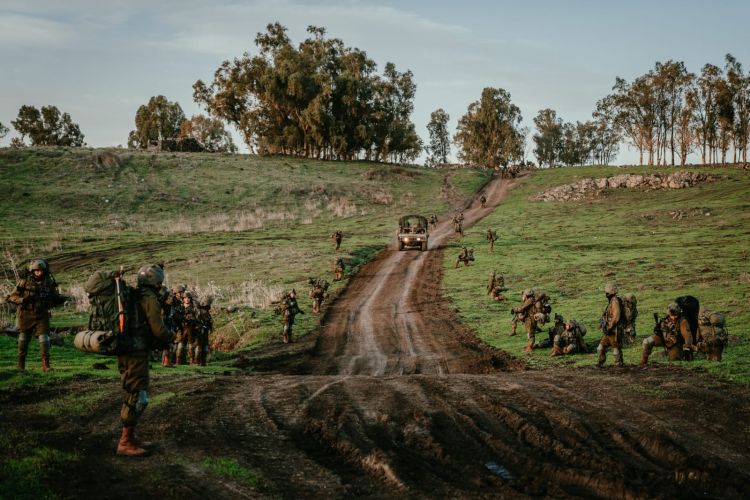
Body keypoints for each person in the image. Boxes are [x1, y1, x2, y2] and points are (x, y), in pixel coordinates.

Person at [116, 264, 172, 456]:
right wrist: (170, 336)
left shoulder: (134, 294)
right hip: (136, 351)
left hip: (128, 348)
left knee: (135, 391)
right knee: (137, 396)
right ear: (156, 280)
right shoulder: (149, 298)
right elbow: (158, 329)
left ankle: (130, 438)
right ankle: (125, 442)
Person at [6, 259, 66, 371]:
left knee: (45, 340)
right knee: (23, 340)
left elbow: (54, 296)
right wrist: (23, 300)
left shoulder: (48, 282)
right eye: (36, 271)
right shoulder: (23, 282)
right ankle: (21, 366)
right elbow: (11, 297)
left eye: (40, 270)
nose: (38, 272)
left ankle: (46, 365)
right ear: (32, 271)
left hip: (42, 314)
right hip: (26, 314)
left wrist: (60, 299)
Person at [597, 283, 624, 367]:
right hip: (609, 331)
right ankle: (601, 362)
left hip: (614, 330)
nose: (605, 294)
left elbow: (616, 316)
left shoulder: (615, 301)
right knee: (600, 347)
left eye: (606, 292)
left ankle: (619, 364)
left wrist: (610, 326)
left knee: (616, 349)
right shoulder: (611, 301)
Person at [180, 293, 199, 365]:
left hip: (190, 328)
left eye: (188, 298)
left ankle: (191, 360)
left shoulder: (193, 308)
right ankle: (180, 361)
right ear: (183, 299)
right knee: (181, 345)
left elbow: (197, 317)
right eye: (185, 298)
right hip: (181, 327)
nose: (187, 299)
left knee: (190, 345)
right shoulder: (180, 307)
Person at [195, 297, 213, 366]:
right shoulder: (199, 312)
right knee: (199, 346)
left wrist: (210, 328)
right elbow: (196, 321)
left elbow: (210, 322)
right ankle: (197, 361)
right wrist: (200, 327)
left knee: (204, 346)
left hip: (205, 331)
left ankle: (203, 361)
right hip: (200, 331)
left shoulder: (207, 313)